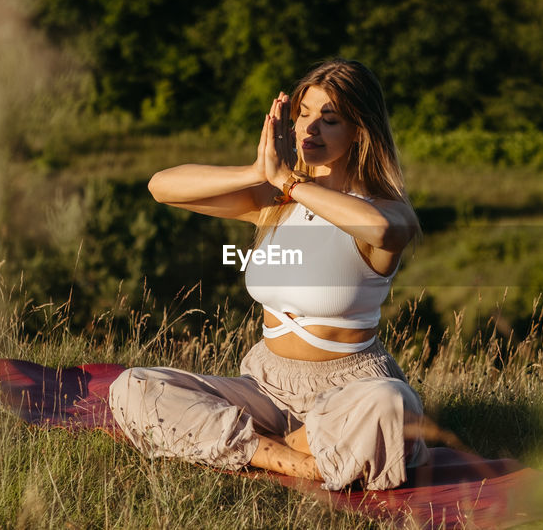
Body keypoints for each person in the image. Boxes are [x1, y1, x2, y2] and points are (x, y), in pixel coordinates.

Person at [108, 59, 429, 491]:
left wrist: (291, 183)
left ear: (359, 130)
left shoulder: (386, 210)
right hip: (265, 385)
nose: (309, 128)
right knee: (134, 387)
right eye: (304, 114)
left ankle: (258, 444)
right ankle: (291, 457)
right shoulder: (274, 202)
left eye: (329, 119)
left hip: (349, 388)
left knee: (394, 403)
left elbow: (384, 231)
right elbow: (161, 186)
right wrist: (260, 173)